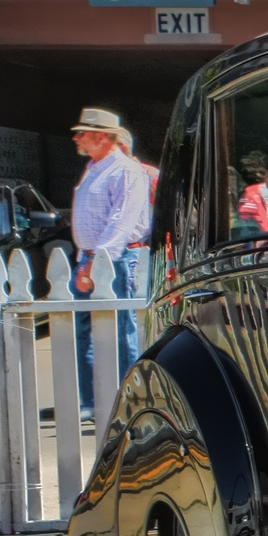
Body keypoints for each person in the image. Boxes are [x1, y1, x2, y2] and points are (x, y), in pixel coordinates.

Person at [69, 106, 152, 420]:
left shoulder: (126, 171)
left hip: (115, 258)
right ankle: (92, 401)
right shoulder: (94, 167)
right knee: (84, 330)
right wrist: (85, 259)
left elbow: (121, 223)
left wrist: (96, 262)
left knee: (122, 329)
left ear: (103, 137)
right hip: (90, 258)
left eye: (83, 133)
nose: (77, 138)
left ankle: (130, 400)